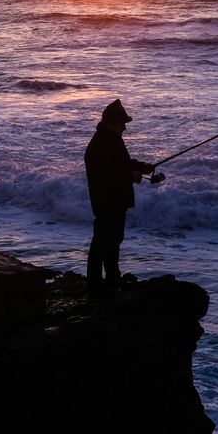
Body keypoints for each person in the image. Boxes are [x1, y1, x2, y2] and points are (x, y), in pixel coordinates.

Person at [84, 99, 155, 295]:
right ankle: (97, 286)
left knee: (112, 241)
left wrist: (141, 167)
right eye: (122, 123)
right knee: (102, 244)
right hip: (107, 202)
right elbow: (108, 176)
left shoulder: (111, 140)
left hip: (115, 202)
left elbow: (121, 164)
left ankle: (110, 281)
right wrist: (130, 177)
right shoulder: (99, 146)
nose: (124, 127)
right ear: (111, 123)